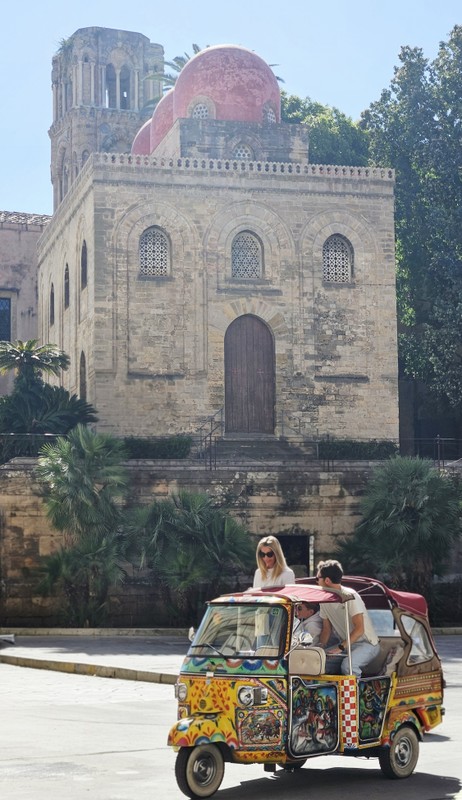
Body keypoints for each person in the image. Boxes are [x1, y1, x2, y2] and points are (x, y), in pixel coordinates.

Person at [316, 559, 380, 677]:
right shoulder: (323, 600)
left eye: (317, 578)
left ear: (327, 580)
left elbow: (359, 629)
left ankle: (357, 689)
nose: (316, 582)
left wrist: (340, 647)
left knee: (348, 666)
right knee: (317, 662)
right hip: (346, 644)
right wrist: (319, 648)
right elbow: (326, 629)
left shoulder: (350, 596)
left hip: (367, 644)